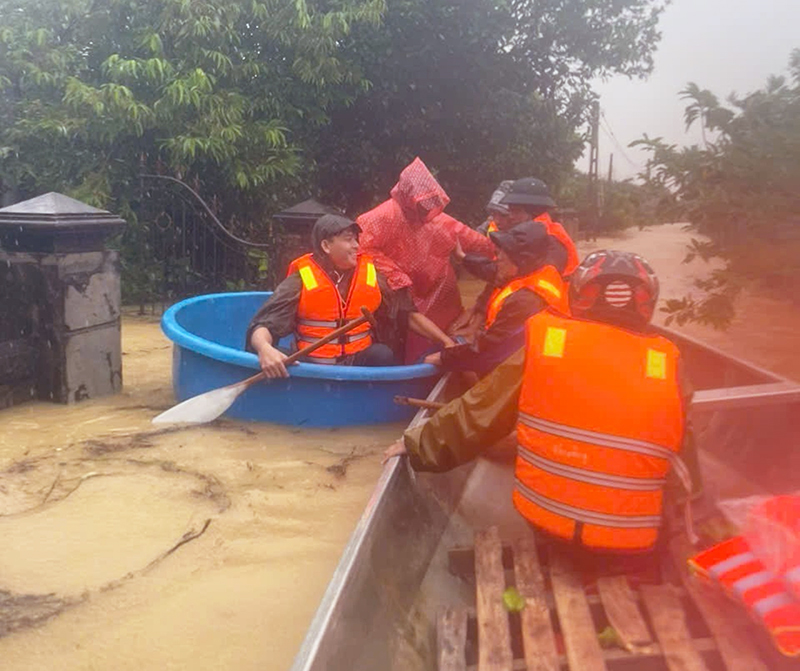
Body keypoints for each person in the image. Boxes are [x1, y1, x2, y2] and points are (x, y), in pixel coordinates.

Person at [385, 250, 698, 554]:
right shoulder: (668, 362)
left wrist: (417, 444)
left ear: (579, 296)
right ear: (647, 304)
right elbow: (684, 462)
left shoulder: (550, 342)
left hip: (544, 520)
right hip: (631, 540)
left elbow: (481, 410)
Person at [246, 214, 456, 377]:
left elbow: (407, 315)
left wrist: (447, 342)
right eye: (348, 240)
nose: (356, 245)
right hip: (311, 366)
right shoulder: (301, 279)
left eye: (356, 239)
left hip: (358, 364)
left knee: (383, 354)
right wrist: (265, 349)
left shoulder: (372, 275)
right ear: (326, 246)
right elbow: (262, 325)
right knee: (276, 357)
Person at [356, 157, 494, 362]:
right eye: (421, 203)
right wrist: (395, 275)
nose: (425, 209)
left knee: (446, 335)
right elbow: (360, 248)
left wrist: (501, 250)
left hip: (438, 291)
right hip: (395, 294)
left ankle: (445, 364)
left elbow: (478, 243)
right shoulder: (381, 217)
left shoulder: (439, 221)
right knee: (395, 336)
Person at [424, 221, 569, 377]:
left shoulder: (526, 299)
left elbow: (488, 352)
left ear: (518, 260)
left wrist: (443, 357)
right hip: (538, 356)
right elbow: (489, 269)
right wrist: (463, 258)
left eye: (501, 255)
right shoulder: (535, 271)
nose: (496, 260)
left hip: (537, 370)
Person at [500, 177, 580, 276]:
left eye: (517, 211)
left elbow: (543, 277)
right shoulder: (535, 235)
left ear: (534, 212)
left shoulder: (550, 239)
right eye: (510, 211)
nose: (511, 216)